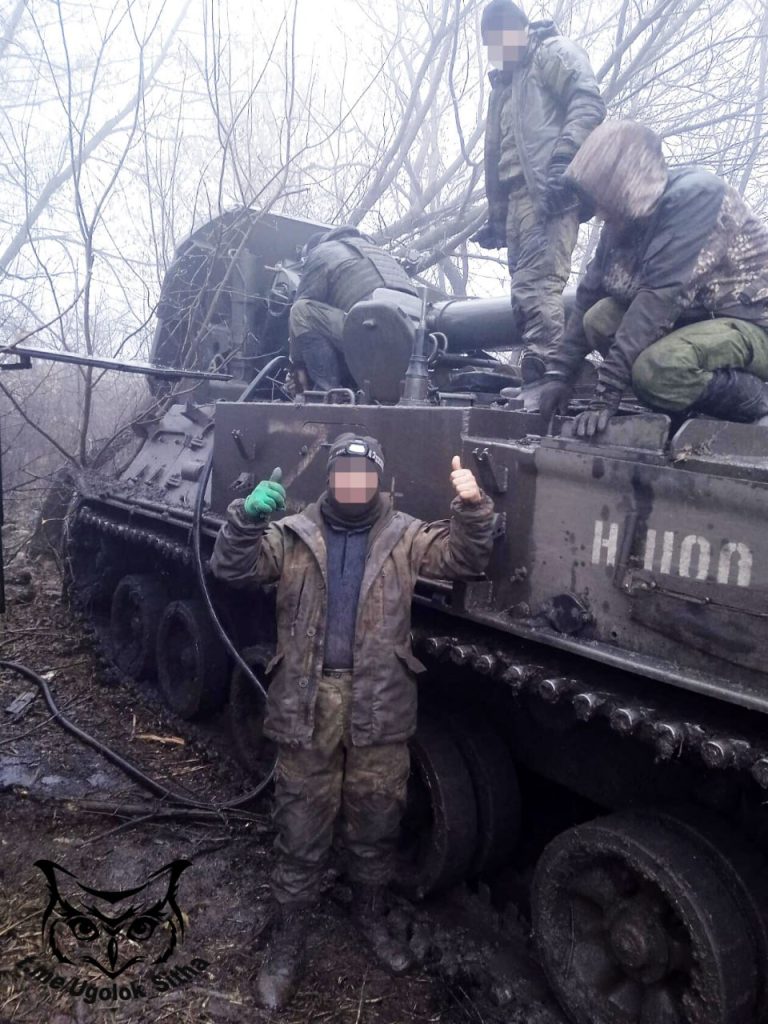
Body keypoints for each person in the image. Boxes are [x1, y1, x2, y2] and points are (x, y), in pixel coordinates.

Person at [210, 434, 495, 1010]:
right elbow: (229, 565)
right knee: (300, 824)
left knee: (376, 820)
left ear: (378, 481)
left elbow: (467, 559)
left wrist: (473, 508)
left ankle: (370, 918)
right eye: (343, 471)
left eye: (365, 474)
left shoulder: (406, 536)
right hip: (307, 702)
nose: (353, 482)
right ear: (331, 478)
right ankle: (289, 942)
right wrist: (245, 517)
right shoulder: (293, 534)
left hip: (380, 702)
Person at [535, 120, 768, 437]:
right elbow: (589, 292)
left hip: (752, 325)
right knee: (598, 318)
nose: (599, 212)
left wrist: (606, 395)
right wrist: (559, 374)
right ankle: (679, 402)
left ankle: (756, 400)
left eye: (603, 199)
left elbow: (658, 300)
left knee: (656, 371)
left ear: (622, 186)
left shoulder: (696, 197)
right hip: (699, 322)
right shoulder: (624, 222)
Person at [473, 0, 605, 383]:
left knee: (538, 285)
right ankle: (556, 368)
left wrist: (566, 159)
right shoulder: (506, 85)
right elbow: (504, 154)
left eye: (497, 42)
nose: (495, 54)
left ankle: (553, 369)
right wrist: (498, 219)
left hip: (549, 190)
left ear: (517, 28)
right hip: (519, 197)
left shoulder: (552, 53)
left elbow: (587, 101)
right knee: (523, 293)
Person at [289, 226, 418, 391]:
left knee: (300, 311)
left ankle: (326, 391)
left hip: (375, 332)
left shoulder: (322, 252)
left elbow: (303, 302)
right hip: (413, 339)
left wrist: (297, 366)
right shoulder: (378, 253)